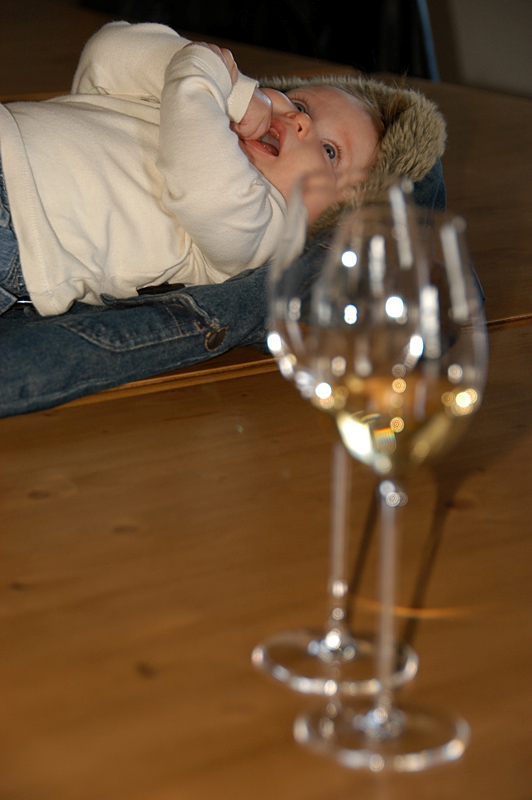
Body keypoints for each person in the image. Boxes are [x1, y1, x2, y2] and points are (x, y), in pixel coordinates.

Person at [0, 22, 448, 417]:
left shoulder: (262, 228)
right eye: (301, 104)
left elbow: (199, 178)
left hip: (16, 232)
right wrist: (235, 92)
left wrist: (205, 78)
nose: (297, 121)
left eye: (330, 152)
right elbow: (106, 54)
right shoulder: (198, 103)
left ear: (330, 218)